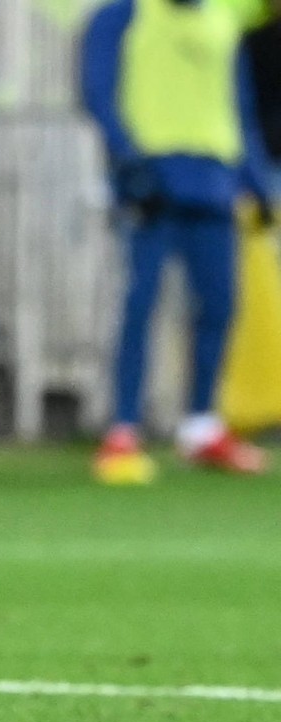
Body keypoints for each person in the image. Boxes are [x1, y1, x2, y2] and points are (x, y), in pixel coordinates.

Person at [81, 0, 277, 483]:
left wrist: (258, 181)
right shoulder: (123, 16)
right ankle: (124, 427)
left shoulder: (220, 21)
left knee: (218, 306)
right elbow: (99, 94)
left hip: (214, 180)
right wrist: (128, 164)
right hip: (154, 181)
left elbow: (239, 107)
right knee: (140, 303)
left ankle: (201, 426)